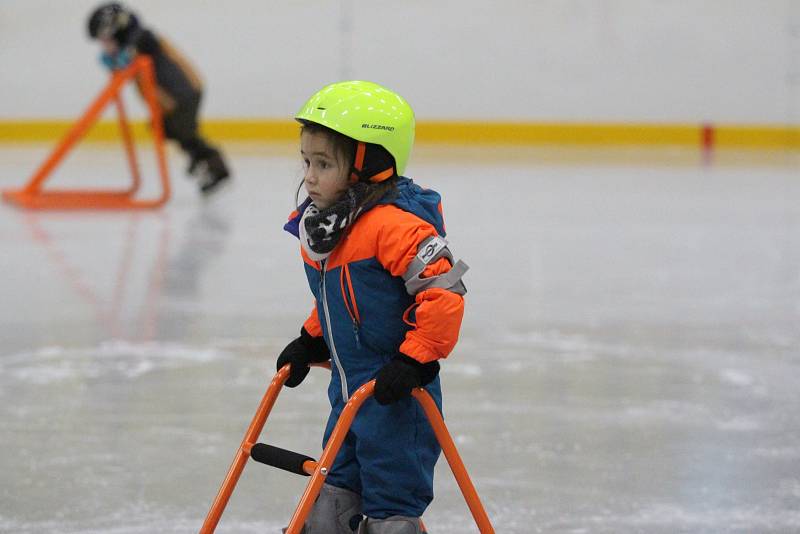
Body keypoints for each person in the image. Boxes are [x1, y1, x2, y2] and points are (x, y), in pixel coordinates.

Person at [278, 81, 469, 533]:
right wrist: (311, 339)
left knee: (391, 497)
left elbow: (445, 291)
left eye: (324, 164)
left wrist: (414, 359)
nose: (309, 175)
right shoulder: (327, 229)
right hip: (347, 394)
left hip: (395, 394)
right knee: (331, 492)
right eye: (307, 161)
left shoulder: (393, 227)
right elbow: (337, 299)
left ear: (369, 164)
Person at [87, 3, 230, 194]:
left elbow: (124, 59)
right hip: (173, 100)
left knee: (183, 133)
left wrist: (113, 59)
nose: (104, 46)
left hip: (182, 96)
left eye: (106, 40)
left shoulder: (142, 38)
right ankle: (199, 158)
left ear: (117, 31)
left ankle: (214, 165)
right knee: (168, 130)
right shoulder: (135, 41)